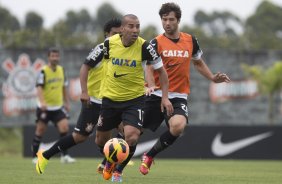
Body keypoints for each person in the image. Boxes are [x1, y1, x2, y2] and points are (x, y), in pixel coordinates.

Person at [139, 2, 231, 175]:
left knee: (178, 126)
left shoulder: (190, 40)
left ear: (178, 20)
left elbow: (198, 62)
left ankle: (149, 156)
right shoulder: (155, 43)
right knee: (133, 133)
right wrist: (150, 85)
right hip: (156, 93)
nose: (167, 23)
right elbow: (149, 67)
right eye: (164, 19)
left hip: (178, 95)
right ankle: (110, 159)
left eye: (171, 19)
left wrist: (212, 77)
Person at [90, 14, 173, 182]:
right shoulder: (107, 45)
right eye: (131, 26)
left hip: (134, 100)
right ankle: (110, 160)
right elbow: (96, 65)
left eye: (137, 26)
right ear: (122, 29)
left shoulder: (146, 47)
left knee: (132, 136)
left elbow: (162, 73)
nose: (135, 30)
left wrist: (165, 98)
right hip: (110, 100)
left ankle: (118, 172)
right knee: (100, 140)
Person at [35, 18, 122, 175]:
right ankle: (45, 155)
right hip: (94, 101)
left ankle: (107, 164)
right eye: (114, 34)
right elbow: (85, 67)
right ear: (107, 34)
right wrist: (84, 91)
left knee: (126, 130)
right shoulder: (102, 49)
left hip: (111, 102)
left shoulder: (123, 50)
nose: (118, 37)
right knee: (80, 137)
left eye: (120, 34)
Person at [31, 47, 75, 165]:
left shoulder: (62, 70)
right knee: (40, 130)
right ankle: (35, 157)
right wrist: (43, 102)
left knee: (64, 128)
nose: (55, 58)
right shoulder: (43, 71)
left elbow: (64, 87)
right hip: (44, 107)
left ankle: (64, 156)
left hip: (58, 107)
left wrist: (66, 102)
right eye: (53, 56)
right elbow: (39, 87)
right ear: (48, 57)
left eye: (57, 56)